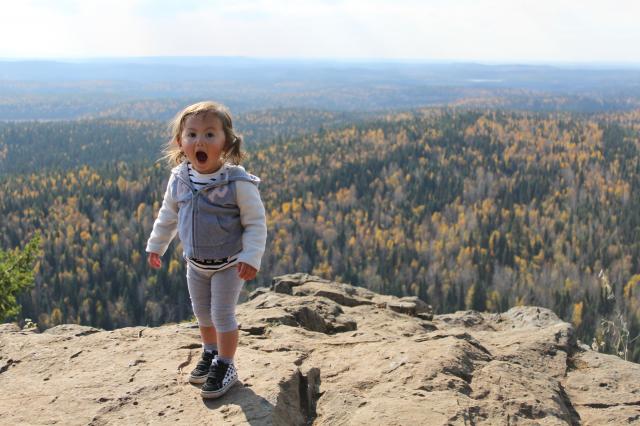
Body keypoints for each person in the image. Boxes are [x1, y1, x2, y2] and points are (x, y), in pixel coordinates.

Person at [146, 101, 267, 399]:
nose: (200, 140)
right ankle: (210, 352)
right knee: (202, 313)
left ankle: (226, 364)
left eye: (210, 134)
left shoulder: (237, 182)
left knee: (222, 314)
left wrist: (251, 257)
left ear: (226, 142)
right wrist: (156, 246)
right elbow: (168, 216)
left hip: (229, 264)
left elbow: (255, 223)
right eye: (192, 134)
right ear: (180, 142)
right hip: (195, 264)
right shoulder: (179, 179)